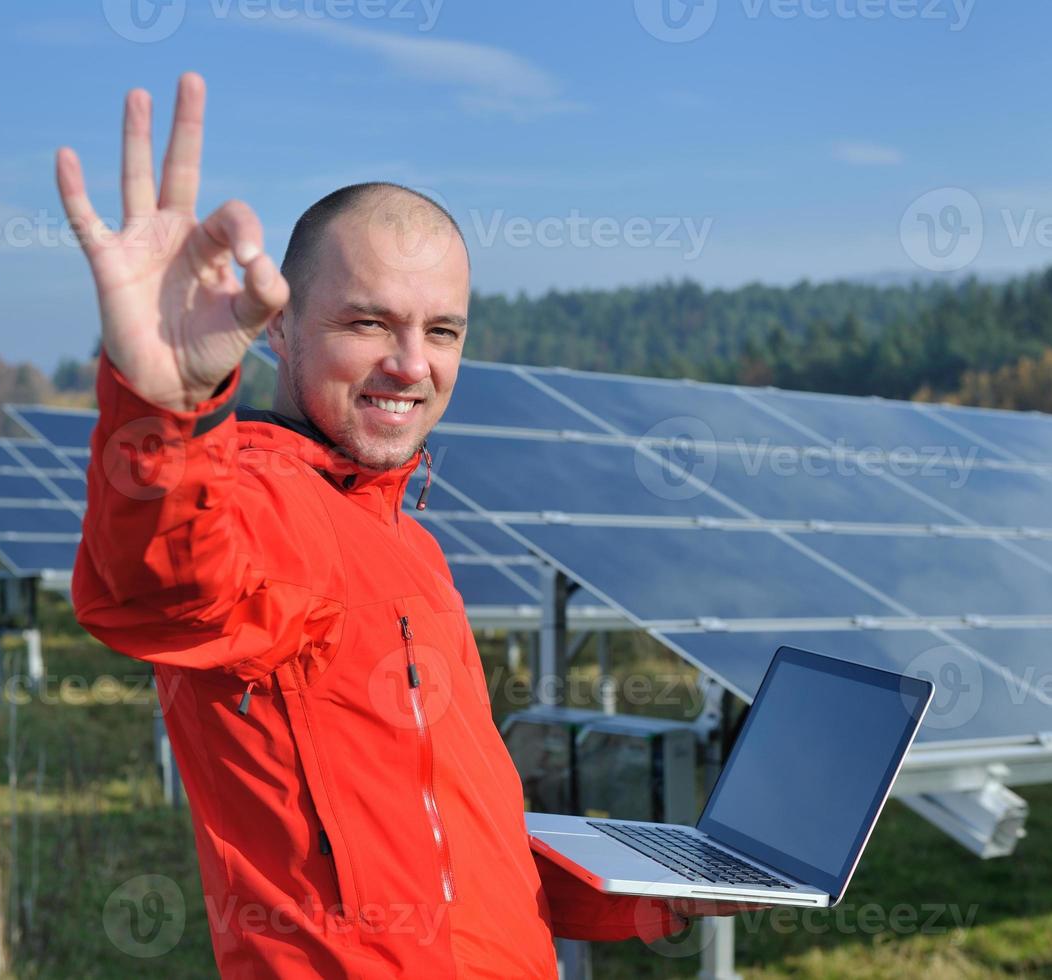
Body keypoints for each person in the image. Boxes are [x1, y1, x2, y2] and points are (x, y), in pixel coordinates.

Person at [58, 71, 755, 978]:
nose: (410, 365)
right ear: (279, 328)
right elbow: (160, 593)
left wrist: (658, 888)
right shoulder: (268, 507)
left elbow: (452, 846)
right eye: (368, 321)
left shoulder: (411, 546)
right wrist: (160, 406)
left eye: (444, 330)